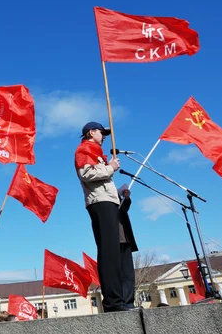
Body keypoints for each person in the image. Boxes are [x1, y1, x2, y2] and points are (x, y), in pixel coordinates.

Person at [74, 122, 135, 313]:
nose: (104, 137)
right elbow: (86, 173)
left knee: (116, 252)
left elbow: (101, 184)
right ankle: (113, 302)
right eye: (102, 133)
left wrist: (119, 193)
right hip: (99, 204)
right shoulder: (84, 149)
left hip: (108, 202)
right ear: (91, 133)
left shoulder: (97, 152)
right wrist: (110, 168)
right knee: (109, 252)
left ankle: (122, 300)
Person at [119, 188, 139, 308]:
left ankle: (129, 302)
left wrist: (126, 199)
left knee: (128, 274)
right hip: (114, 241)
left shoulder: (117, 199)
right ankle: (122, 302)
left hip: (125, 239)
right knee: (120, 274)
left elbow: (123, 209)